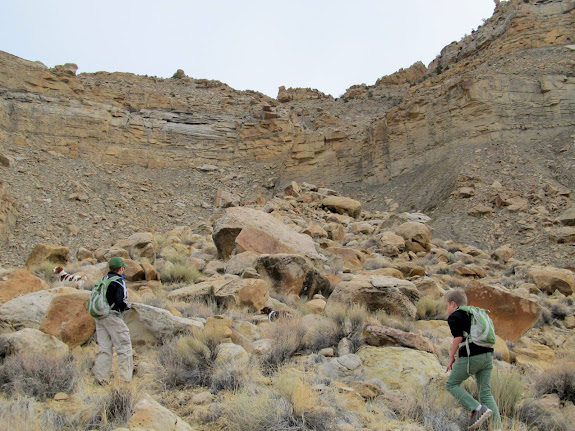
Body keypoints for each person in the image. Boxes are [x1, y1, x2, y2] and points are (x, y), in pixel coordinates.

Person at [445, 290, 501, 431]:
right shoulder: (475, 313)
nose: (447, 309)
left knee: (451, 384)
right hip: (488, 356)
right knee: (486, 393)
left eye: (447, 305)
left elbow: (458, 338)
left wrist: (451, 356)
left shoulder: (455, 316)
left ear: (453, 303)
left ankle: (476, 408)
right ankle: (498, 427)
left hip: (472, 357)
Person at [93, 256, 133, 384]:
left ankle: (101, 379)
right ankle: (124, 380)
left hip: (99, 317)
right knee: (124, 347)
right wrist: (127, 306)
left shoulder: (103, 280)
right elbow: (119, 301)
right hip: (112, 316)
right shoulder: (118, 281)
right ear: (121, 268)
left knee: (104, 348)